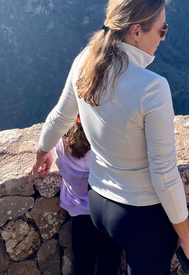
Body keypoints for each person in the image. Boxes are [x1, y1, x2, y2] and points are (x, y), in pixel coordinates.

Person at [28, 0, 189, 274]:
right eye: (162, 29)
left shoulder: (86, 58)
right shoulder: (152, 87)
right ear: (136, 31)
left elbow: (60, 116)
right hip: (139, 216)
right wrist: (187, 239)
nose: (163, 37)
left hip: (98, 204)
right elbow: (163, 173)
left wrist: (42, 152)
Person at [54, 117, 121, 275]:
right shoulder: (107, 144)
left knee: (83, 266)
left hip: (79, 214)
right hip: (108, 213)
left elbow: (50, 135)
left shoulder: (59, 144)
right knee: (109, 264)